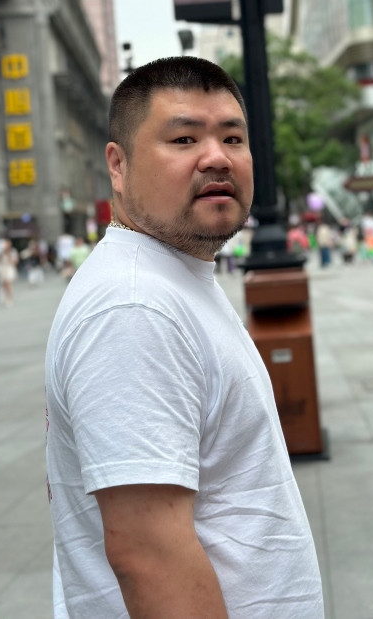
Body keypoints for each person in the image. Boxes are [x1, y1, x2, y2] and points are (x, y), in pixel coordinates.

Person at [45, 57, 323, 619]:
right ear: (118, 164)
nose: (217, 157)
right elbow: (148, 555)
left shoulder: (171, 278)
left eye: (233, 138)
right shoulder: (134, 307)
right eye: (184, 138)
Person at [0, 239, 19, 307]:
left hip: (10, 268)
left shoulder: (13, 251)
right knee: (4, 284)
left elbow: (15, 261)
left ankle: (10, 298)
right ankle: (6, 297)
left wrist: (11, 259)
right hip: (3, 268)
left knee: (8, 283)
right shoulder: (1, 252)